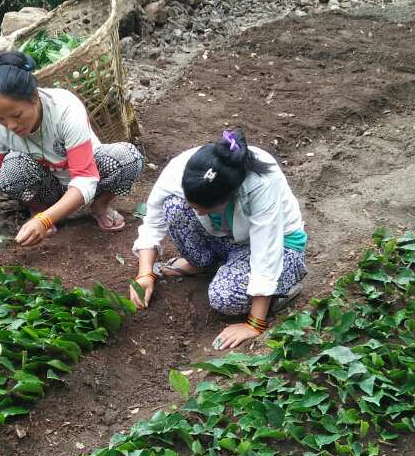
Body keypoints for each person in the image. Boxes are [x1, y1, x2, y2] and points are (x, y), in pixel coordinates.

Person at [0, 50, 145, 263]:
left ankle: (99, 206)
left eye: (17, 115)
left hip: (91, 180)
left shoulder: (64, 108)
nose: (10, 125)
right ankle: (41, 209)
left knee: (128, 157)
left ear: (34, 97)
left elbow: (85, 179)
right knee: (10, 168)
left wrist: (45, 221)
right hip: (47, 186)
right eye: (1, 119)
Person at [129, 129, 307, 350]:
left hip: (279, 246)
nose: (198, 213)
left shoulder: (261, 183)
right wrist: (145, 274)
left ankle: (279, 290)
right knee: (174, 207)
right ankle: (204, 264)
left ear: (230, 197)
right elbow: (153, 222)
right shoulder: (184, 169)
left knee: (223, 297)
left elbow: (266, 253)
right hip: (227, 237)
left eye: (204, 209)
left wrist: (255, 324)